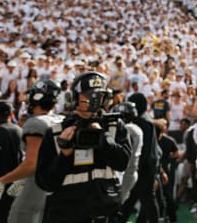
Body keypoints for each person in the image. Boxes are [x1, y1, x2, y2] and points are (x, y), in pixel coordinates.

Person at [35, 72, 131, 222]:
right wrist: (65, 156)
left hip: (104, 212)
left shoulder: (113, 125)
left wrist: (102, 137)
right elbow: (45, 182)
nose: (93, 101)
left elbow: (122, 163)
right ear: (73, 98)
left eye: (98, 96)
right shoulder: (57, 131)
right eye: (87, 95)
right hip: (66, 214)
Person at [0, 80, 62, 223]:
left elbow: (32, 163)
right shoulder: (61, 119)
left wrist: (2, 181)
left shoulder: (36, 123)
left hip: (37, 189)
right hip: (56, 189)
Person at [118, 92, 160, 223]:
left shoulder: (133, 126)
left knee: (127, 201)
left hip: (137, 169)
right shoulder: (149, 124)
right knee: (149, 201)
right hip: (150, 169)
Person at [112, 102, 143, 204]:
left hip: (124, 173)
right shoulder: (137, 128)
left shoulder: (128, 129)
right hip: (131, 171)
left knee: (115, 203)